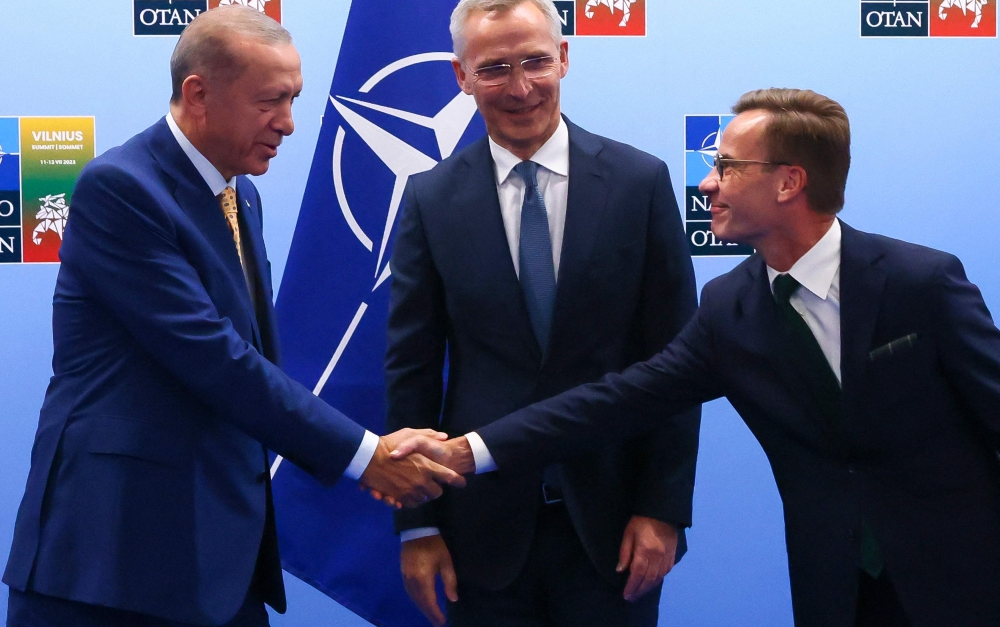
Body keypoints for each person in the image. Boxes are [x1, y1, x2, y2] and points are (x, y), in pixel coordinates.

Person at [394, 89, 1000, 627]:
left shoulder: (921, 283)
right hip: (835, 585)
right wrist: (466, 452)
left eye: (727, 167)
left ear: (789, 183)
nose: (707, 183)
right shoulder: (730, 309)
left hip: (969, 575)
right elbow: (615, 401)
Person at [2, 6, 463, 627]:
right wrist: (365, 455)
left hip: (217, 559)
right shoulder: (122, 189)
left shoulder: (239, 193)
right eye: (271, 101)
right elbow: (216, 359)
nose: (290, 124)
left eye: (294, 99)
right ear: (199, 93)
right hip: (111, 562)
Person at [383, 0, 701, 627]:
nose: (521, 87)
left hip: (616, 530)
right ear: (461, 77)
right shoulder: (429, 199)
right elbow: (411, 372)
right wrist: (416, 527)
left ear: (564, 56)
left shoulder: (640, 183)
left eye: (533, 61)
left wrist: (664, 508)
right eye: (494, 68)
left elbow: (678, 364)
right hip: (480, 533)